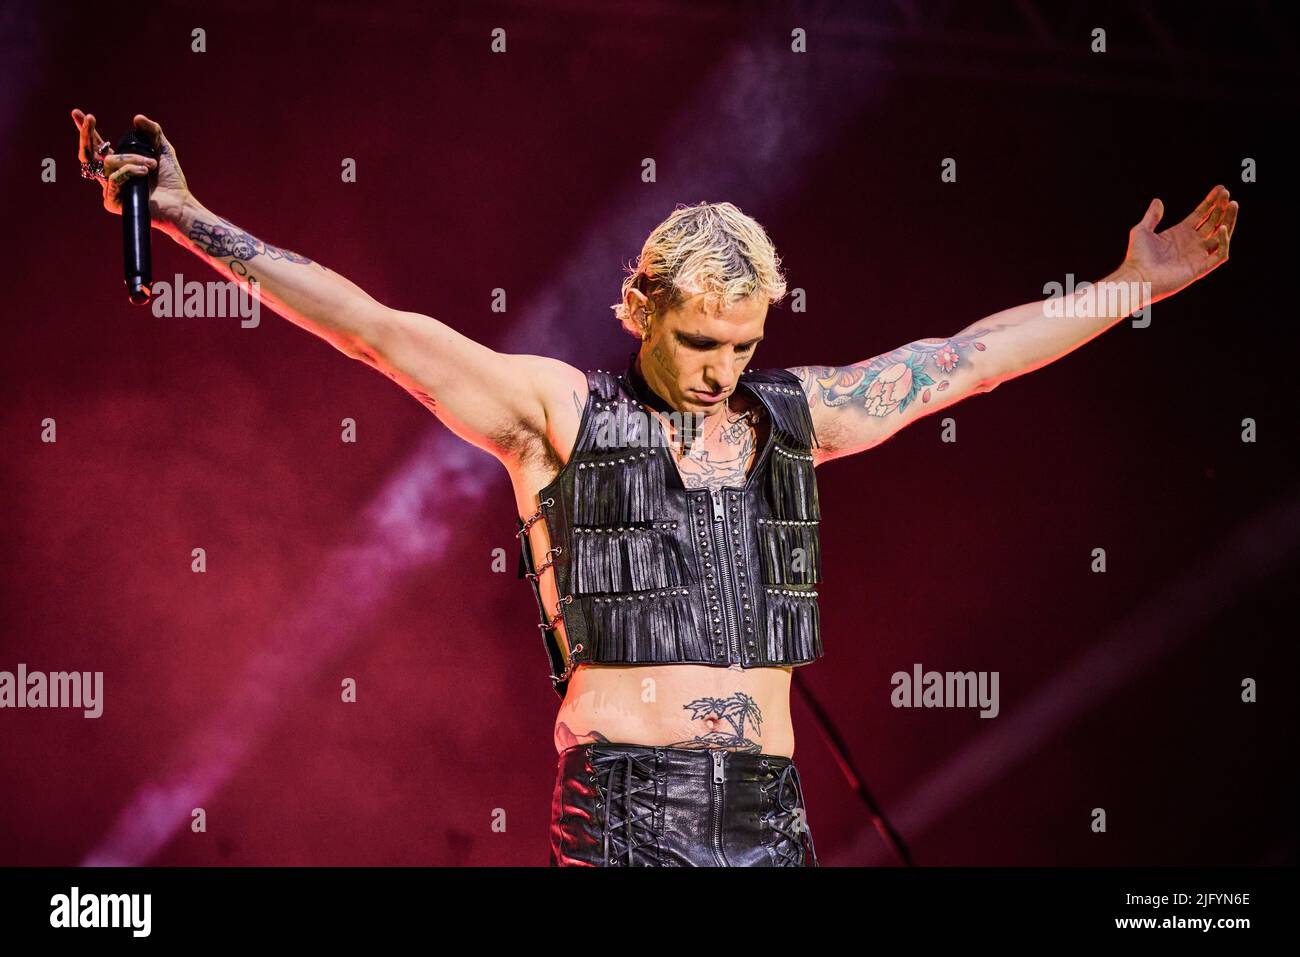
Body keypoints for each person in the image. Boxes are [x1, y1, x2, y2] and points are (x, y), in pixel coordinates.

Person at [72, 110, 1238, 867]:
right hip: (628, 815)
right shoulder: (558, 414)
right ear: (641, 311)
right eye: (696, 341)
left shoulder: (797, 418)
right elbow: (376, 332)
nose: (720, 367)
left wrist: (1132, 287)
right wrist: (184, 217)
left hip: (770, 818)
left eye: (741, 342)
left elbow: (969, 361)